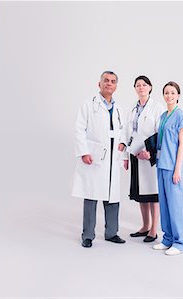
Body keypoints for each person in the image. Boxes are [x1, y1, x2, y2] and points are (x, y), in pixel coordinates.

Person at [71, 71, 128, 248]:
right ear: (99, 84)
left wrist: (123, 143)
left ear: (116, 86)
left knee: (112, 197)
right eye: (106, 81)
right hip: (95, 157)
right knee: (91, 195)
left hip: (113, 158)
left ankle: (112, 233)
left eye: (112, 82)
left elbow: (124, 131)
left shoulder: (119, 109)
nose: (109, 84)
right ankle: (87, 235)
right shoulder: (89, 105)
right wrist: (83, 152)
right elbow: (79, 129)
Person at [124, 76, 166, 242]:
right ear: (135, 88)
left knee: (152, 194)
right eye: (138, 85)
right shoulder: (132, 109)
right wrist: (125, 156)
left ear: (150, 87)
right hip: (135, 154)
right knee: (141, 193)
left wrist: (151, 153)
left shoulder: (157, 107)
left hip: (150, 156)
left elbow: (160, 133)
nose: (141, 87)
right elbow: (127, 133)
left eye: (144, 84)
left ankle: (154, 230)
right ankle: (145, 225)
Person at [152, 81, 183, 256]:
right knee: (165, 205)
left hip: (174, 167)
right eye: (166, 93)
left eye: (173, 93)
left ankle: (180, 242)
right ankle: (167, 238)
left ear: (178, 95)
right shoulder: (162, 116)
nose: (169, 96)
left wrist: (177, 169)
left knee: (177, 206)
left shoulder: (181, 116)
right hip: (162, 165)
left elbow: (182, 145)